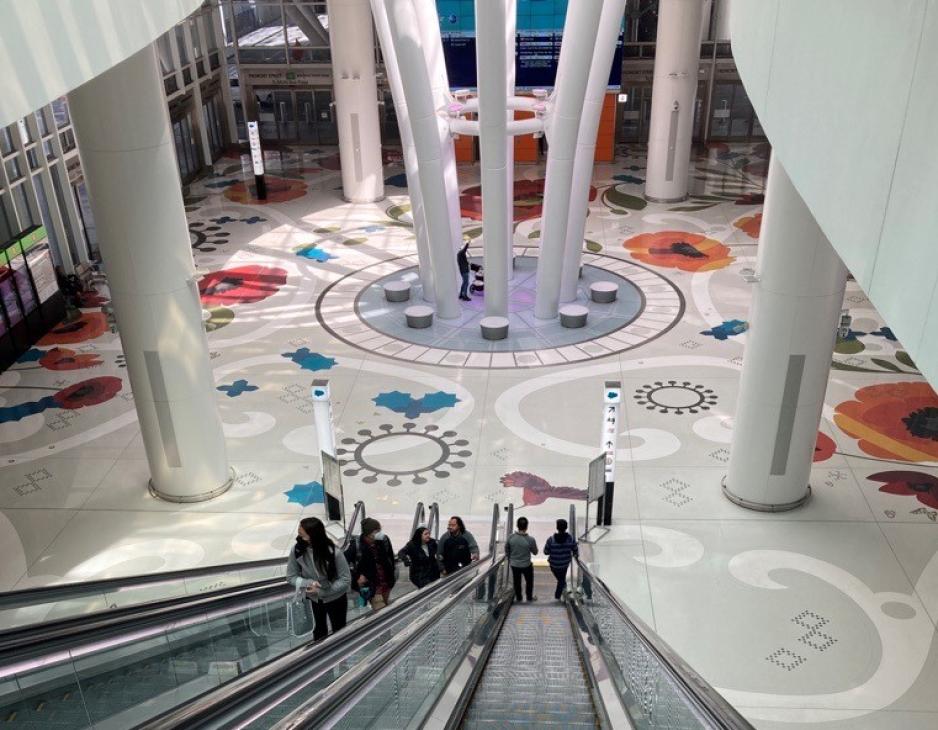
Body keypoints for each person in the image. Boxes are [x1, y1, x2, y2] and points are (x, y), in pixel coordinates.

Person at [286, 516, 351, 640]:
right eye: (299, 534)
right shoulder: (297, 550)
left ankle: (341, 658)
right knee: (319, 634)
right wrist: (308, 583)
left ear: (313, 535)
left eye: (303, 535)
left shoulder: (333, 552)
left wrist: (321, 591)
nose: (300, 538)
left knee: (340, 632)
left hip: (336, 598)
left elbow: (345, 579)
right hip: (313, 600)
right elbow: (291, 576)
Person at [353, 517, 396, 610]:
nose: (379, 533)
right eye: (376, 531)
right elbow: (345, 565)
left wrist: (392, 575)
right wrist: (357, 577)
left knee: (385, 607)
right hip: (372, 585)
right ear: (368, 534)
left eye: (379, 530)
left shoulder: (384, 540)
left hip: (386, 582)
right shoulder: (357, 545)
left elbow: (391, 558)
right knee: (381, 611)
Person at [544, 518, 578, 602]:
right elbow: (575, 550)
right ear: (566, 528)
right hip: (564, 565)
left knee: (561, 580)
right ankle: (560, 594)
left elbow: (546, 552)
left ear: (557, 528)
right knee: (562, 580)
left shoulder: (551, 539)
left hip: (554, 565)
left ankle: (558, 596)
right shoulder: (570, 539)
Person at [505, 516, 538, 602]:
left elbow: (507, 550)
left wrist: (511, 557)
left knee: (517, 582)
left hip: (514, 564)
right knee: (529, 582)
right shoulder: (530, 539)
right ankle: (529, 597)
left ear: (517, 525)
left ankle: (519, 597)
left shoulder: (510, 537)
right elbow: (535, 552)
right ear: (527, 527)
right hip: (526, 564)